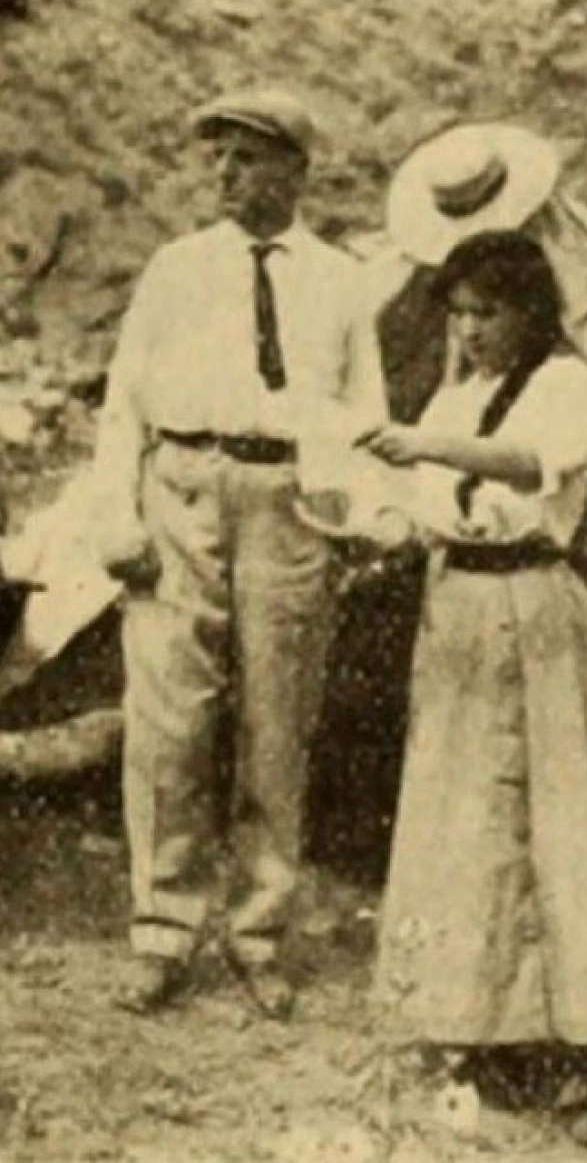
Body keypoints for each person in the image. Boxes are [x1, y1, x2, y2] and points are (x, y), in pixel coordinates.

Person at [362, 230, 587, 1147]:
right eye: (458, 313)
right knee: (468, 826)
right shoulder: (456, 395)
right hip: (458, 614)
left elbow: (538, 462)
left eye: (487, 312)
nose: (469, 331)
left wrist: (425, 443)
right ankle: (479, 1027)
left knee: (552, 825)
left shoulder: (567, 384)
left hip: (536, 612)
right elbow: (430, 504)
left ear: (530, 311)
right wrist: (381, 521)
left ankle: (576, 1046)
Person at [92, 88, 386, 1015]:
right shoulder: (176, 269)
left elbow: (365, 413)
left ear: (296, 170)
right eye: (217, 156)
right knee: (170, 721)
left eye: (248, 157)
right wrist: (118, 522)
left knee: (277, 722)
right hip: (180, 491)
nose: (225, 172)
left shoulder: (340, 281)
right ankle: (162, 930)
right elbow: (122, 405)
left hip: (286, 502)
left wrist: (349, 512)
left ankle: (259, 932)